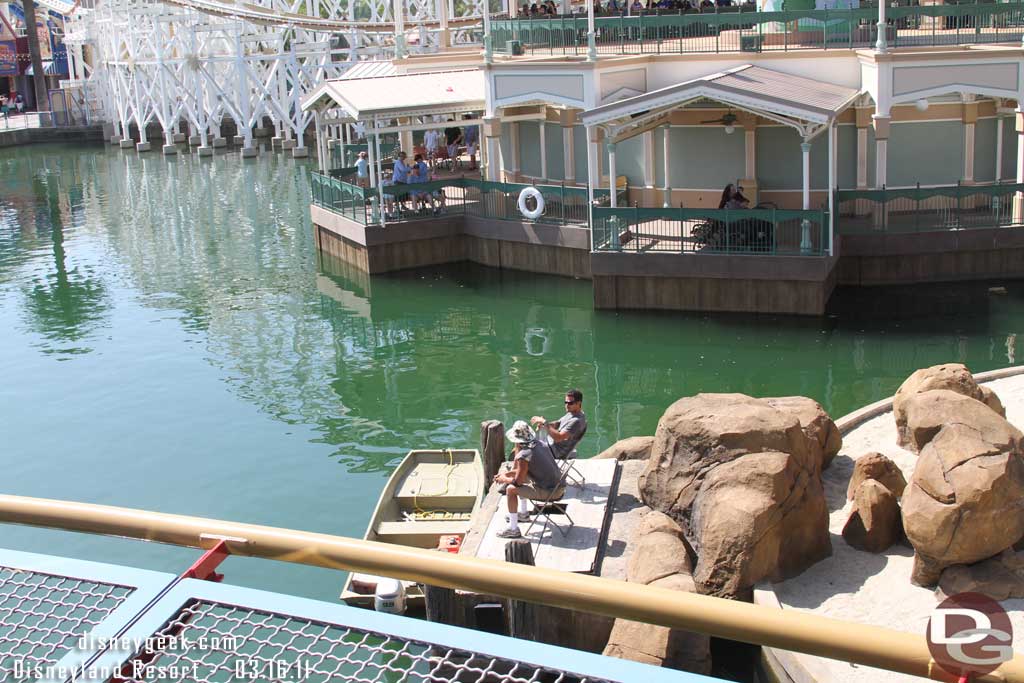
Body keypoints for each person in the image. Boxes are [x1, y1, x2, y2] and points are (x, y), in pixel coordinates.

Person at [492, 421, 564, 539]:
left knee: (511, 490)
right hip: (559, 486)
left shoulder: (523, 455)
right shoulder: (540, 444)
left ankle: (513, 529)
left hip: (551, 492)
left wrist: (504, 479)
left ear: (516, 440)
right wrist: (506, 474)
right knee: (522, 478)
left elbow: (517, 482)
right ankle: (523, 514)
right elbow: (522, 472)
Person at [530, 388, 587, 459]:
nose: (567, 405)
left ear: (578, 403)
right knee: (524, 439)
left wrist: (544, 422)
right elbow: (558, 423)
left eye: (570, 403)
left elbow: (558, 438)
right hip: (549, 443)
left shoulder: (577, 421)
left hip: (555, 452)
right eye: (565, 402)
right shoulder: (572, 412)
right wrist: (544, 425)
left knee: (525, 446)